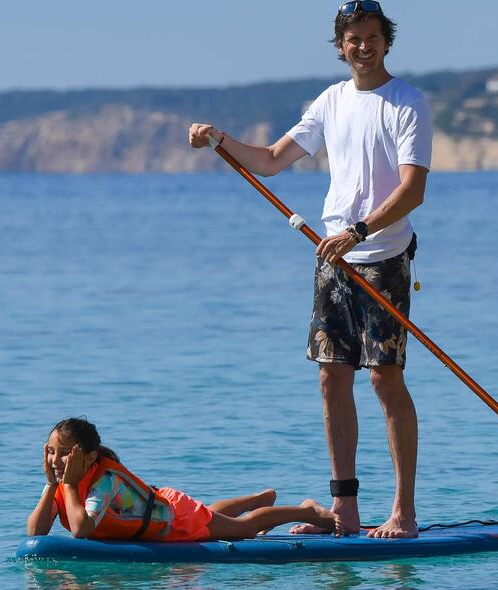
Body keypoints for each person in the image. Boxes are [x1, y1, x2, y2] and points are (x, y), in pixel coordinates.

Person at [185, 0, 430, 538]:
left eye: (371, 36)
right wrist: (220, 140)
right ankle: (344, 510)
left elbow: (413, 189)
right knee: (330, 379)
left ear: (385, 41)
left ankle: (403, 512)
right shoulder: (330, 101)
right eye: (352, 38)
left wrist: (359, 232)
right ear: (340, 45)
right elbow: (271, 159)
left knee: (386, 381)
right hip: (331, 260)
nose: (362, 46)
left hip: (383, 256)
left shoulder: (407, 102)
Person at [25, 417, 338, 541]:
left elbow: (80, 529)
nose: (55, 460)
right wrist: (53, 483)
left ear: (90, 457)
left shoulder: (105, 481)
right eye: (51, 452)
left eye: (64, 453)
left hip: (173, 519)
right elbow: (35, 533)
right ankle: (259, 498)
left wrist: (65, 485)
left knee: (244, 529)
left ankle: (306, 510)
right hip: (167, 507)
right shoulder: (63, 481)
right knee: (209, 513)